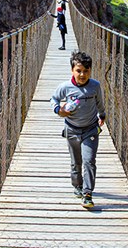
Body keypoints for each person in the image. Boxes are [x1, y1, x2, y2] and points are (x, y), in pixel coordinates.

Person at [50, 52, 106, 209]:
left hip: (91, 129)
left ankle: (88, 193)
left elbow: (100, 102)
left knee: (89, 161)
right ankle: (77, 185)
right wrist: (58, 110)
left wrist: (102, 114)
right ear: (72, 70)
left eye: (86, 71)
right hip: (72, 129)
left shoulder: (95, 86)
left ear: (90, 70)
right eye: (79, 70)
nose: (82, 74)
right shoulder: (65, 87)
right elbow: (53, 99)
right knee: (76, 162)